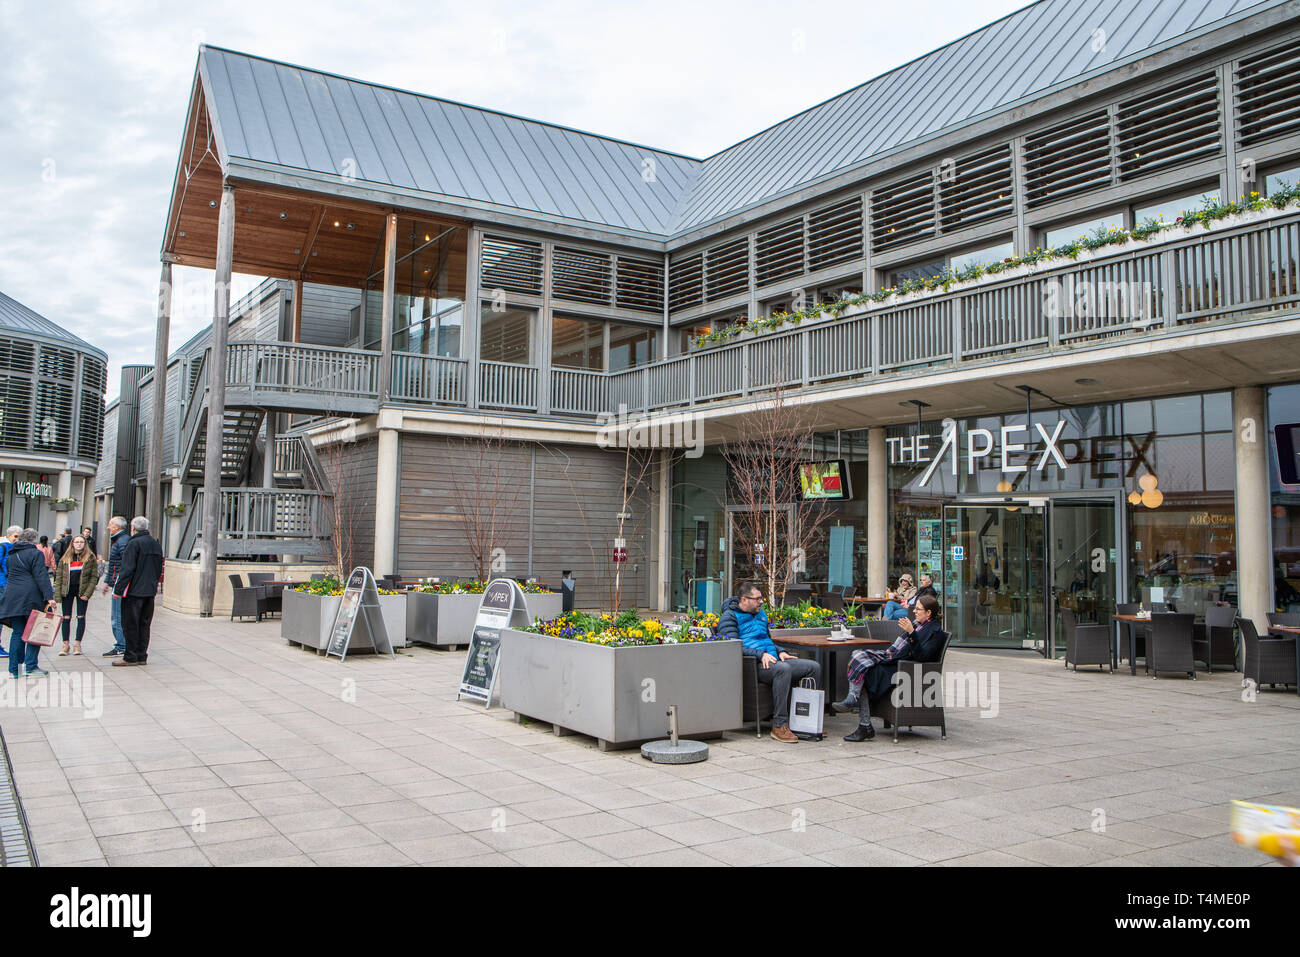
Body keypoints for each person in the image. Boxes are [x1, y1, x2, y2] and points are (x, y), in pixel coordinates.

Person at [718, 581, 821, 743]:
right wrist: (760, 655)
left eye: (762, 598)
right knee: (783, 670)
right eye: (757, 599)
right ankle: (779, 725)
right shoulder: (729, 617)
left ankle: (806, 723)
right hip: (753, 665)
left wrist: (781, 652)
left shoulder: (761, 615)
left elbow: (767, 640)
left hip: (772, 660)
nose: (761, 602)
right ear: (744, 600)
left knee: (812, 667)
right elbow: (732, 646)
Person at [835, 594, 947, 741]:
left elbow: (922, 657)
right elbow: (898, 647)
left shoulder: (935, 632)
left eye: (918, 609)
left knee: (865, 669)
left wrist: (911, 633)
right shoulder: (918, 624)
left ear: (928, 613)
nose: (914, 611)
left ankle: (864, 724)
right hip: (895, 661)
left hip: (908, 670)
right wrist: (911, 631)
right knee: (858, 656)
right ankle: (854, 700)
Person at [0, 529, 58, 679]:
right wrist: (49, 596)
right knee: (34, 632)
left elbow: (8, 574)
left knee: (18, 633)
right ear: (34, 540)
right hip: (31, 597)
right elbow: (41, 575)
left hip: (12, 596)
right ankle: (31, 666)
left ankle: (15, 670)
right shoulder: (35, 554)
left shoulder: (12, 555)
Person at [112, 517, 163, 667]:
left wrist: (118, 590)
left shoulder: (133, 543)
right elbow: (158, 568)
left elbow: (127, 569)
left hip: (135, 591)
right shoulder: (155, 544)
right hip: (150, 590)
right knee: (144, 624)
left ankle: (130, 656)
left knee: (130, 624)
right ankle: (142, 655)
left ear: (133, 528)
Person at [55, 535, 99, 657]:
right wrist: (57, 595)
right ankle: (65, 644)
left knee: (80, 617)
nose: (79, 544)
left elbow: (94, 577)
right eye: (76, 542)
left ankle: (77, 644)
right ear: (72, 544)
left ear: (85, 544)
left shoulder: (90, 558)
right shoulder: (65, 558)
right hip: (67, 591)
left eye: (81, 542)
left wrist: (87, 593)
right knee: (66, 617)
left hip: (82, 591)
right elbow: (59, 577)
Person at [100, 516, 129, 658]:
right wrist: (107, 581)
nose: (107, 527)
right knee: (118, 615)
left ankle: (121, 645)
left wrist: (116, 585)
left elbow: (123, 565)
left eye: (110, 524)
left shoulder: (122, 541)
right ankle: (122, 644)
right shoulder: (119, 541)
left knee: (117, 616)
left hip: (120, 585)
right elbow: (113, 565)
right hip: (117, 583)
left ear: (117, 527)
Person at [0, 526, 20, 659]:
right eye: (15, 536)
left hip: (9, 586)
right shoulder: (4, 547)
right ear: (9, 535)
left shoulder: (15, 549)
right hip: (3, 585)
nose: (17, 539)